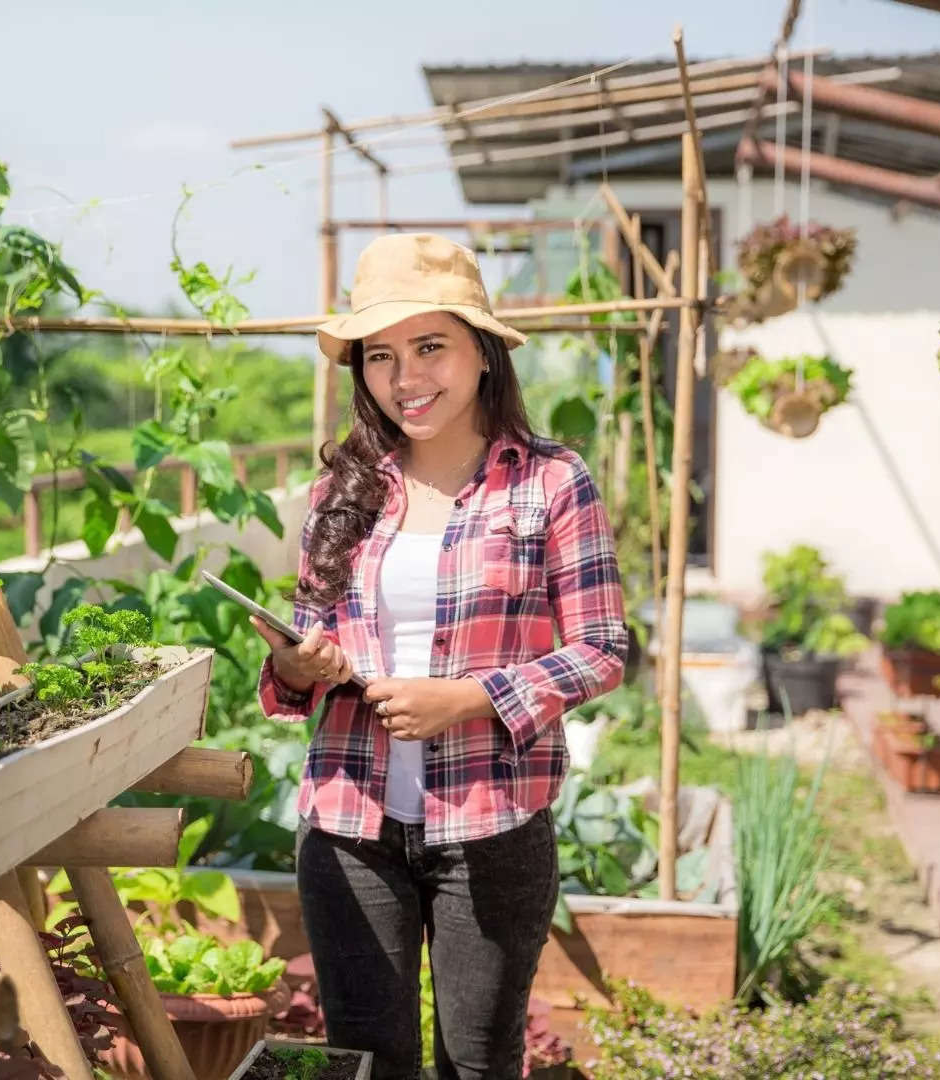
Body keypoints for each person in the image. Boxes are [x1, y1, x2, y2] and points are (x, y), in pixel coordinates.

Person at [250, 232, 627, 1079]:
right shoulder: (343, 488)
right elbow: (308, 648)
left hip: (491, 826)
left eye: (430, 347)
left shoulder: (551, 483)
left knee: (477, 1061)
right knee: (368, 1061)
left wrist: (470, 698)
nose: (405, 377)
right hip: (350, 824)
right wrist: (301, 664)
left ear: (483, 354)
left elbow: (603, 648)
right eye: (380, 356)